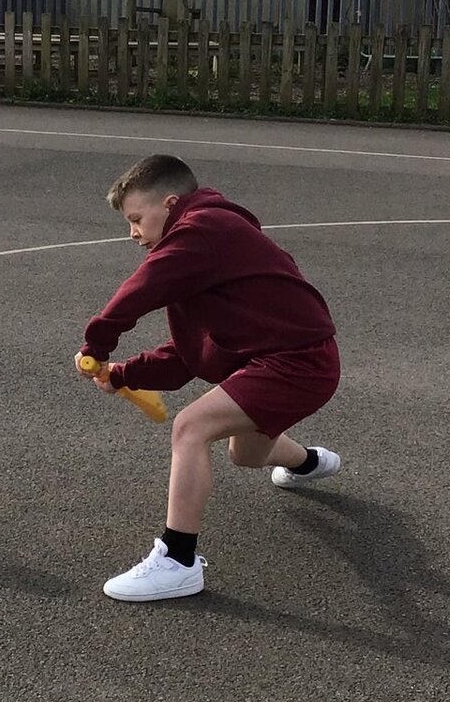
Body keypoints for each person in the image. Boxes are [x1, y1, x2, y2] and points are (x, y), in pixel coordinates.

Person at [76, 154, 343, 602]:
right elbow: (189, 355)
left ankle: (178, 561)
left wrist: (96, 345)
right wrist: (123, 373)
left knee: (191, 426)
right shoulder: (205, 253)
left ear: (171, 203)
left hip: (297, 363)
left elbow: (139, 291)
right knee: (245, 453)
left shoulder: (201, 230)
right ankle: (309, 462)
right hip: (292, 361)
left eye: (137, 219)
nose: (133, 233)